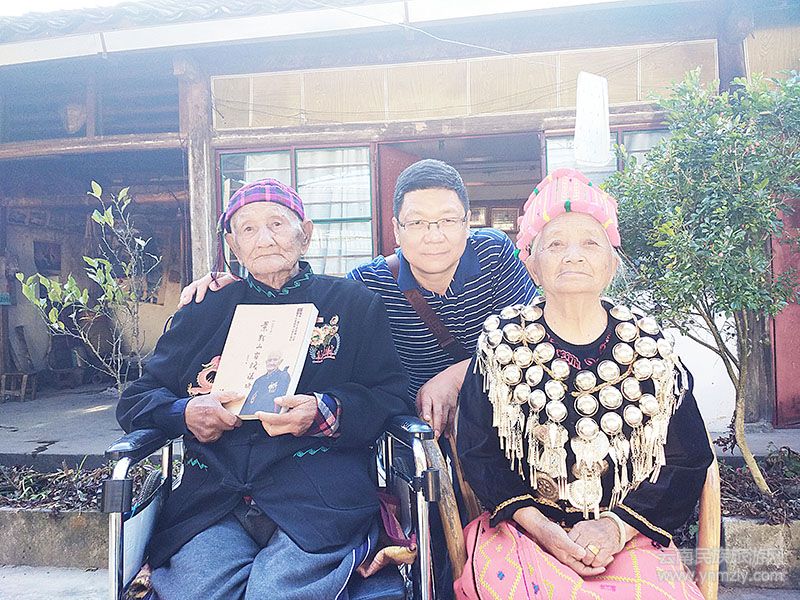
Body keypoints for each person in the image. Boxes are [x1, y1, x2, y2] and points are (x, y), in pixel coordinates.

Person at [180, 159, 538, 599]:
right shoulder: (365, 286)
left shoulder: (496, 254)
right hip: (422, 425)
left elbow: (532, 330)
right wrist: (225, 287)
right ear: (396, 229)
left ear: (467, 223)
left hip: (504, 418)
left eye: (447, 220)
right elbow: (296, 294)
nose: (433, 234)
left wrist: (456, 375)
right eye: (417, 222)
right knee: (433, 524)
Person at [117, 179, 411, 600]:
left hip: (320, 499)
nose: (264, 239)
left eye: (276, 223)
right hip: (212, 501)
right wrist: (185, 413)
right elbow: (137, 400)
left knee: (275, 593)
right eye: (248, 229)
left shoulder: (353, 304)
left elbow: (391, 395)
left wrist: (324, 410)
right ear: (233, 246)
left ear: (305, 234)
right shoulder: (204, 309)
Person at [455, 168, 714, 599]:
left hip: (628, 537)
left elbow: (686, 459)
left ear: (612, 264)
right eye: (555, 244)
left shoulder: (651, 349)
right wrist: (542, 528)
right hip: (525, 535)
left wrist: (616, 528)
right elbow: (479, 452)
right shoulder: (501, 345)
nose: (573, 256)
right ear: (531, 265)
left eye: (590, 243)